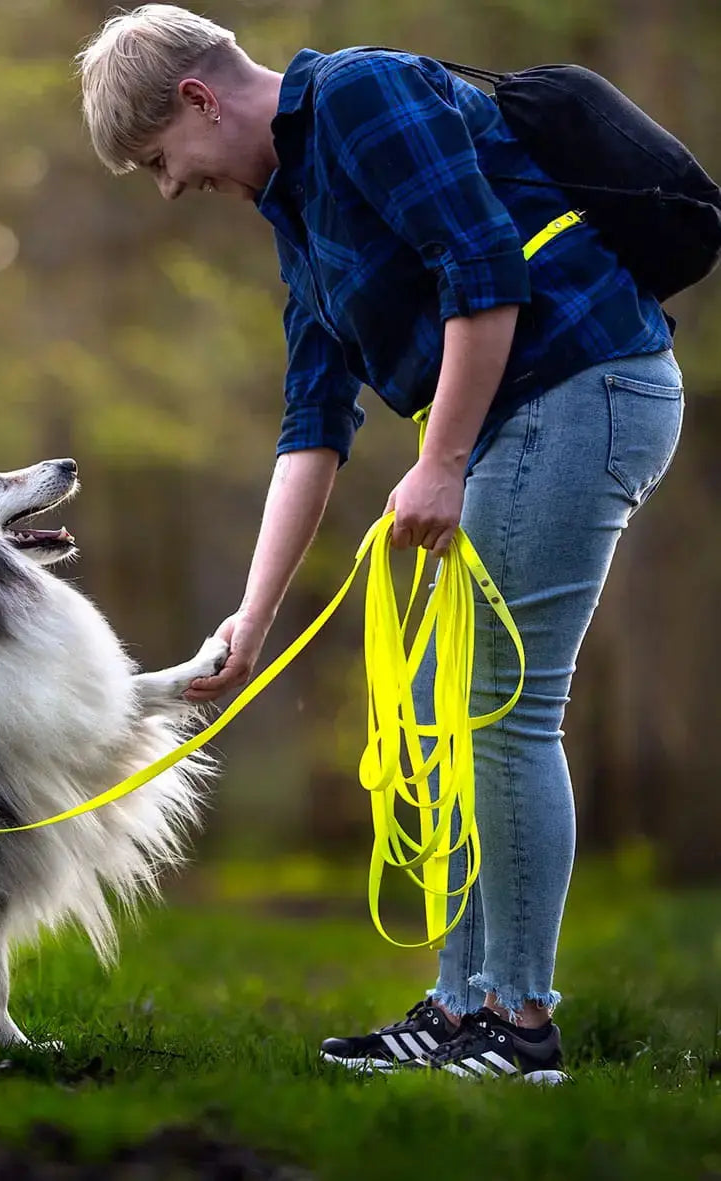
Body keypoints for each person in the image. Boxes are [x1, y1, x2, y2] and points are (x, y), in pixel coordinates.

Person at [76, 5, 684, 1082]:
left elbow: (483, 265)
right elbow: (311, 423)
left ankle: (518, 1021)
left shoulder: (360, 95)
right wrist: (251, 619)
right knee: (455, 715)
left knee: (504, 707)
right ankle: (459, 1008)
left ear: (198, 100)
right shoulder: (296, 210)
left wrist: (438, 461)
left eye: (160, 159)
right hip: (514, 420)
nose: (169, 188)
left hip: (584, 387)